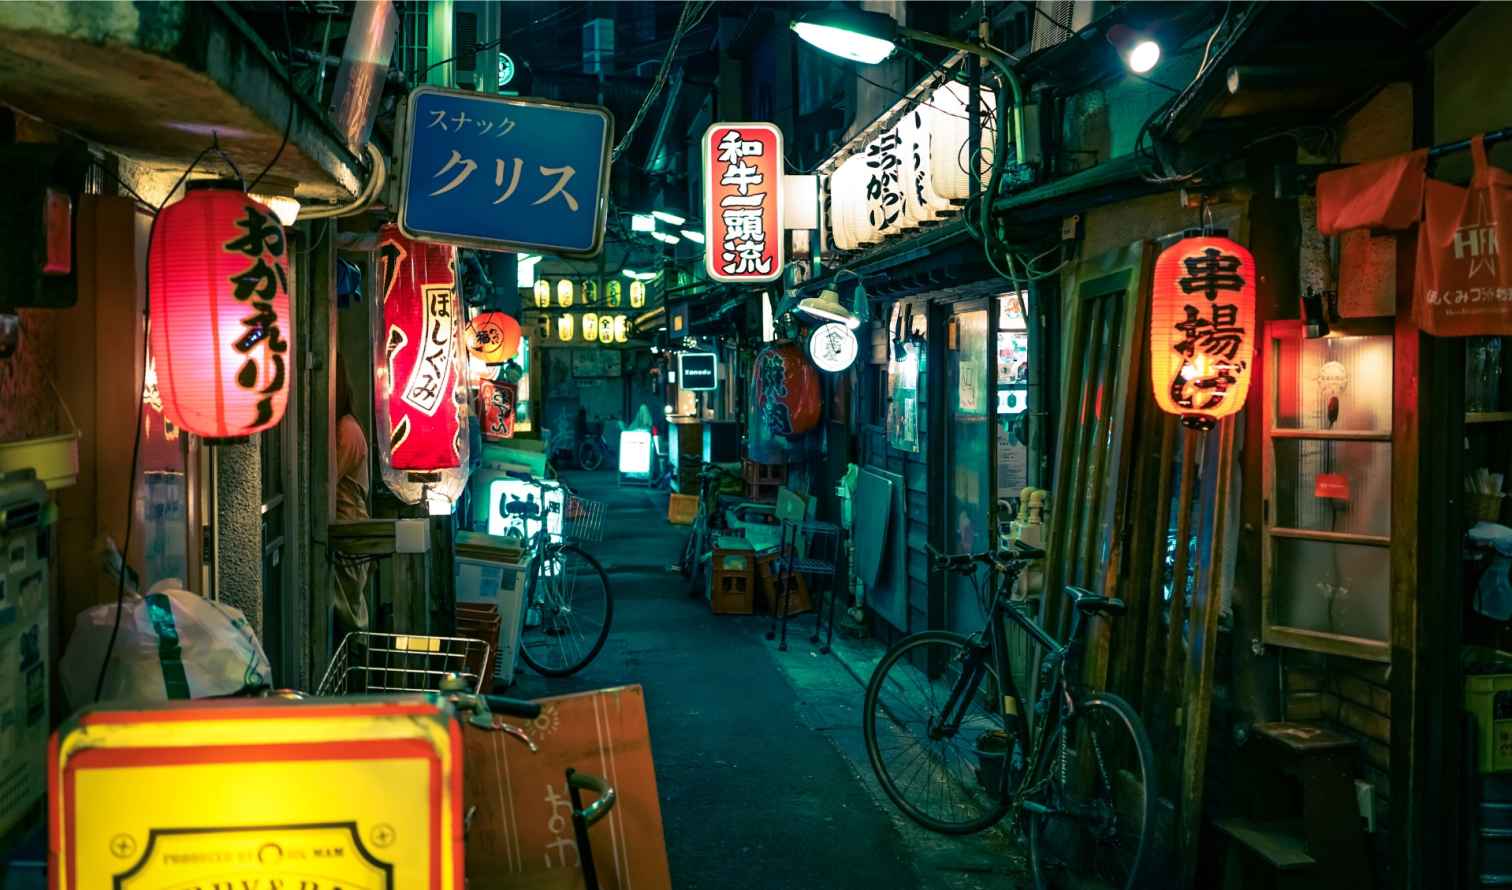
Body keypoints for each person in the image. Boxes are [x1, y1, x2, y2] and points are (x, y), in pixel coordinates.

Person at [332, 354, 370, 641]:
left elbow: (328, 479)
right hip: (348, 528)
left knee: (349, 615)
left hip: (349, 527)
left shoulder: (346, 429)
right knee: (349, 609)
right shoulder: (345, 426)